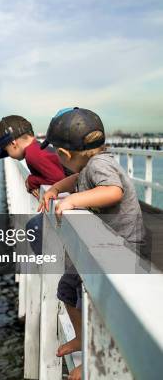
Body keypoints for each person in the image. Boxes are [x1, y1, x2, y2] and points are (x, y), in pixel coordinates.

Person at [37, 107, 145, 380]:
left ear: (63, 154)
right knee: (67, 288)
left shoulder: (99, 166)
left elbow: (112, 190)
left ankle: (95, 362)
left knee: (100, 307)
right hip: (103, 244)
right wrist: (55, 189)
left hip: (121, 246)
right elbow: (77, 179)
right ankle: (81, 338)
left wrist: (73, 200)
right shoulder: (91, 166)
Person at [0, 115, 66, 198]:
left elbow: (58, 179)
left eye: (6, 151)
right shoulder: (37, 147)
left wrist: (31, 181)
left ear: (13, 144)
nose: (9, 156)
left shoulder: (32, 154)